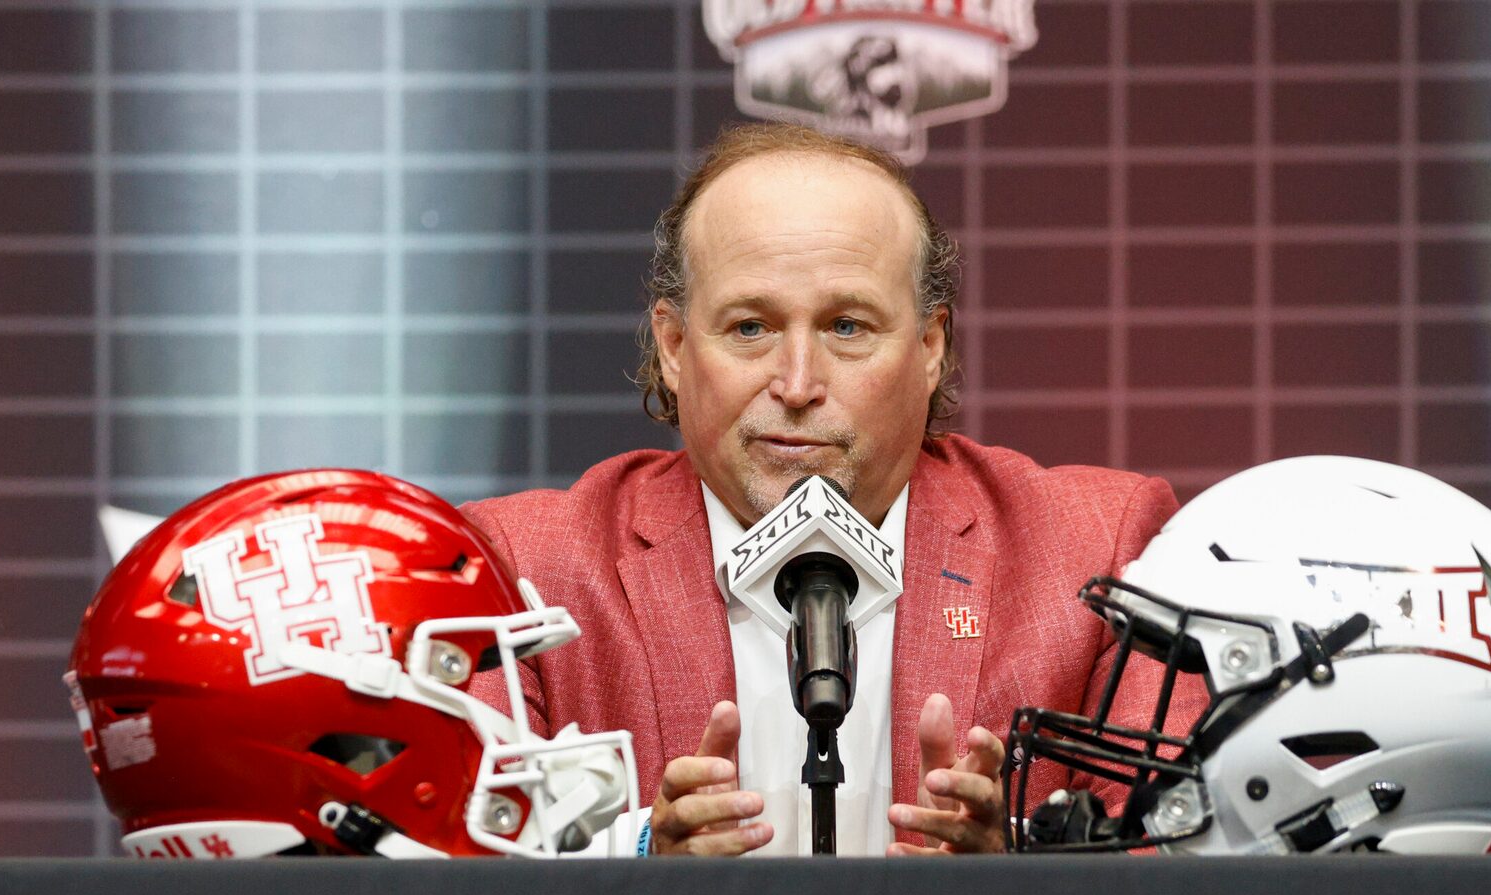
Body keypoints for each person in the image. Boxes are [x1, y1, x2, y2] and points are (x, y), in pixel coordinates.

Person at [466, 122, 1188, 857]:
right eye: (750, 328)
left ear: (930, 346)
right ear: (675, 348)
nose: (798, 384)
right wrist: (642, 867)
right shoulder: (521, 572)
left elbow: (1185, 887)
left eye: (847, 326)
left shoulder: (1098, 551)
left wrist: (1009, 892)